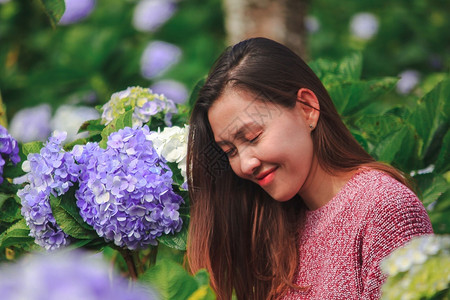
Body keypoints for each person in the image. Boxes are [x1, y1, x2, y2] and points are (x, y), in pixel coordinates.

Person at [186, 37, 433, 300]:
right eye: (230, 151)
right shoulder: (276, 229)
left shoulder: (385, 209)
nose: (246, 164)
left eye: (253, 136)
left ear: (307, 109)